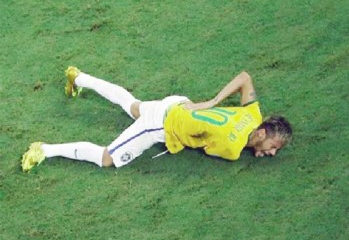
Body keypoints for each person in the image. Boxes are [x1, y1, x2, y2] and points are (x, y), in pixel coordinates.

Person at [21, 67, 292, 171]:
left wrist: (212, 102)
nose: (272, 152)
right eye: (273, 147)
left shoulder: (253, 114)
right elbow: (205, 143)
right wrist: (250, 148)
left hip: (178, 102)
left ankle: (78, 77)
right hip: (161, 124)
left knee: (132, 104)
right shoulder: (233, 149)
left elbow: (245, 78)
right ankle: (44, 149)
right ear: (260, 134)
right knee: (106, 158)